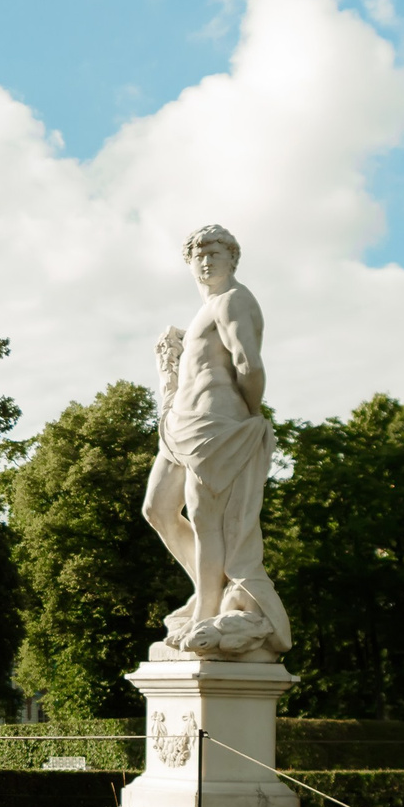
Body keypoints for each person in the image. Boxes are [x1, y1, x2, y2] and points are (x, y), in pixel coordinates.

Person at [143, 223, 292, 657]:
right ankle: (207, 589)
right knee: (157, 509)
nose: (206, 261)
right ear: (190, 264)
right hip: (180, 425)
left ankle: (208, 610)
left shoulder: (234, 301)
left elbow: (248, 363)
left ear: (232, 259)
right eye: (199, 255)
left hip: (217, 423)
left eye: (216, 254)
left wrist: (248, 417)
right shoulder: (201, 313)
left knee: (207, 521)